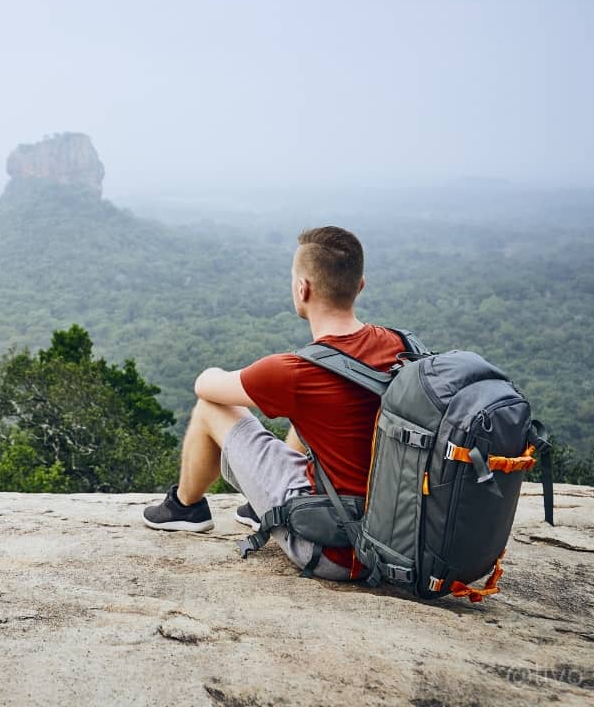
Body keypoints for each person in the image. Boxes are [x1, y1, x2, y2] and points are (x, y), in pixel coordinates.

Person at [141, 225, 406, 580]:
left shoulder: (297, 371)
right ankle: (259, 508)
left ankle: (184, 508)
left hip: (335, 551)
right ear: (360, 286)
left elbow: (205, 385)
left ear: (302, 288)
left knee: (210, 408)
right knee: (309, 415)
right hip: (393, 539)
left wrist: (221, 373)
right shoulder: (400, 346)